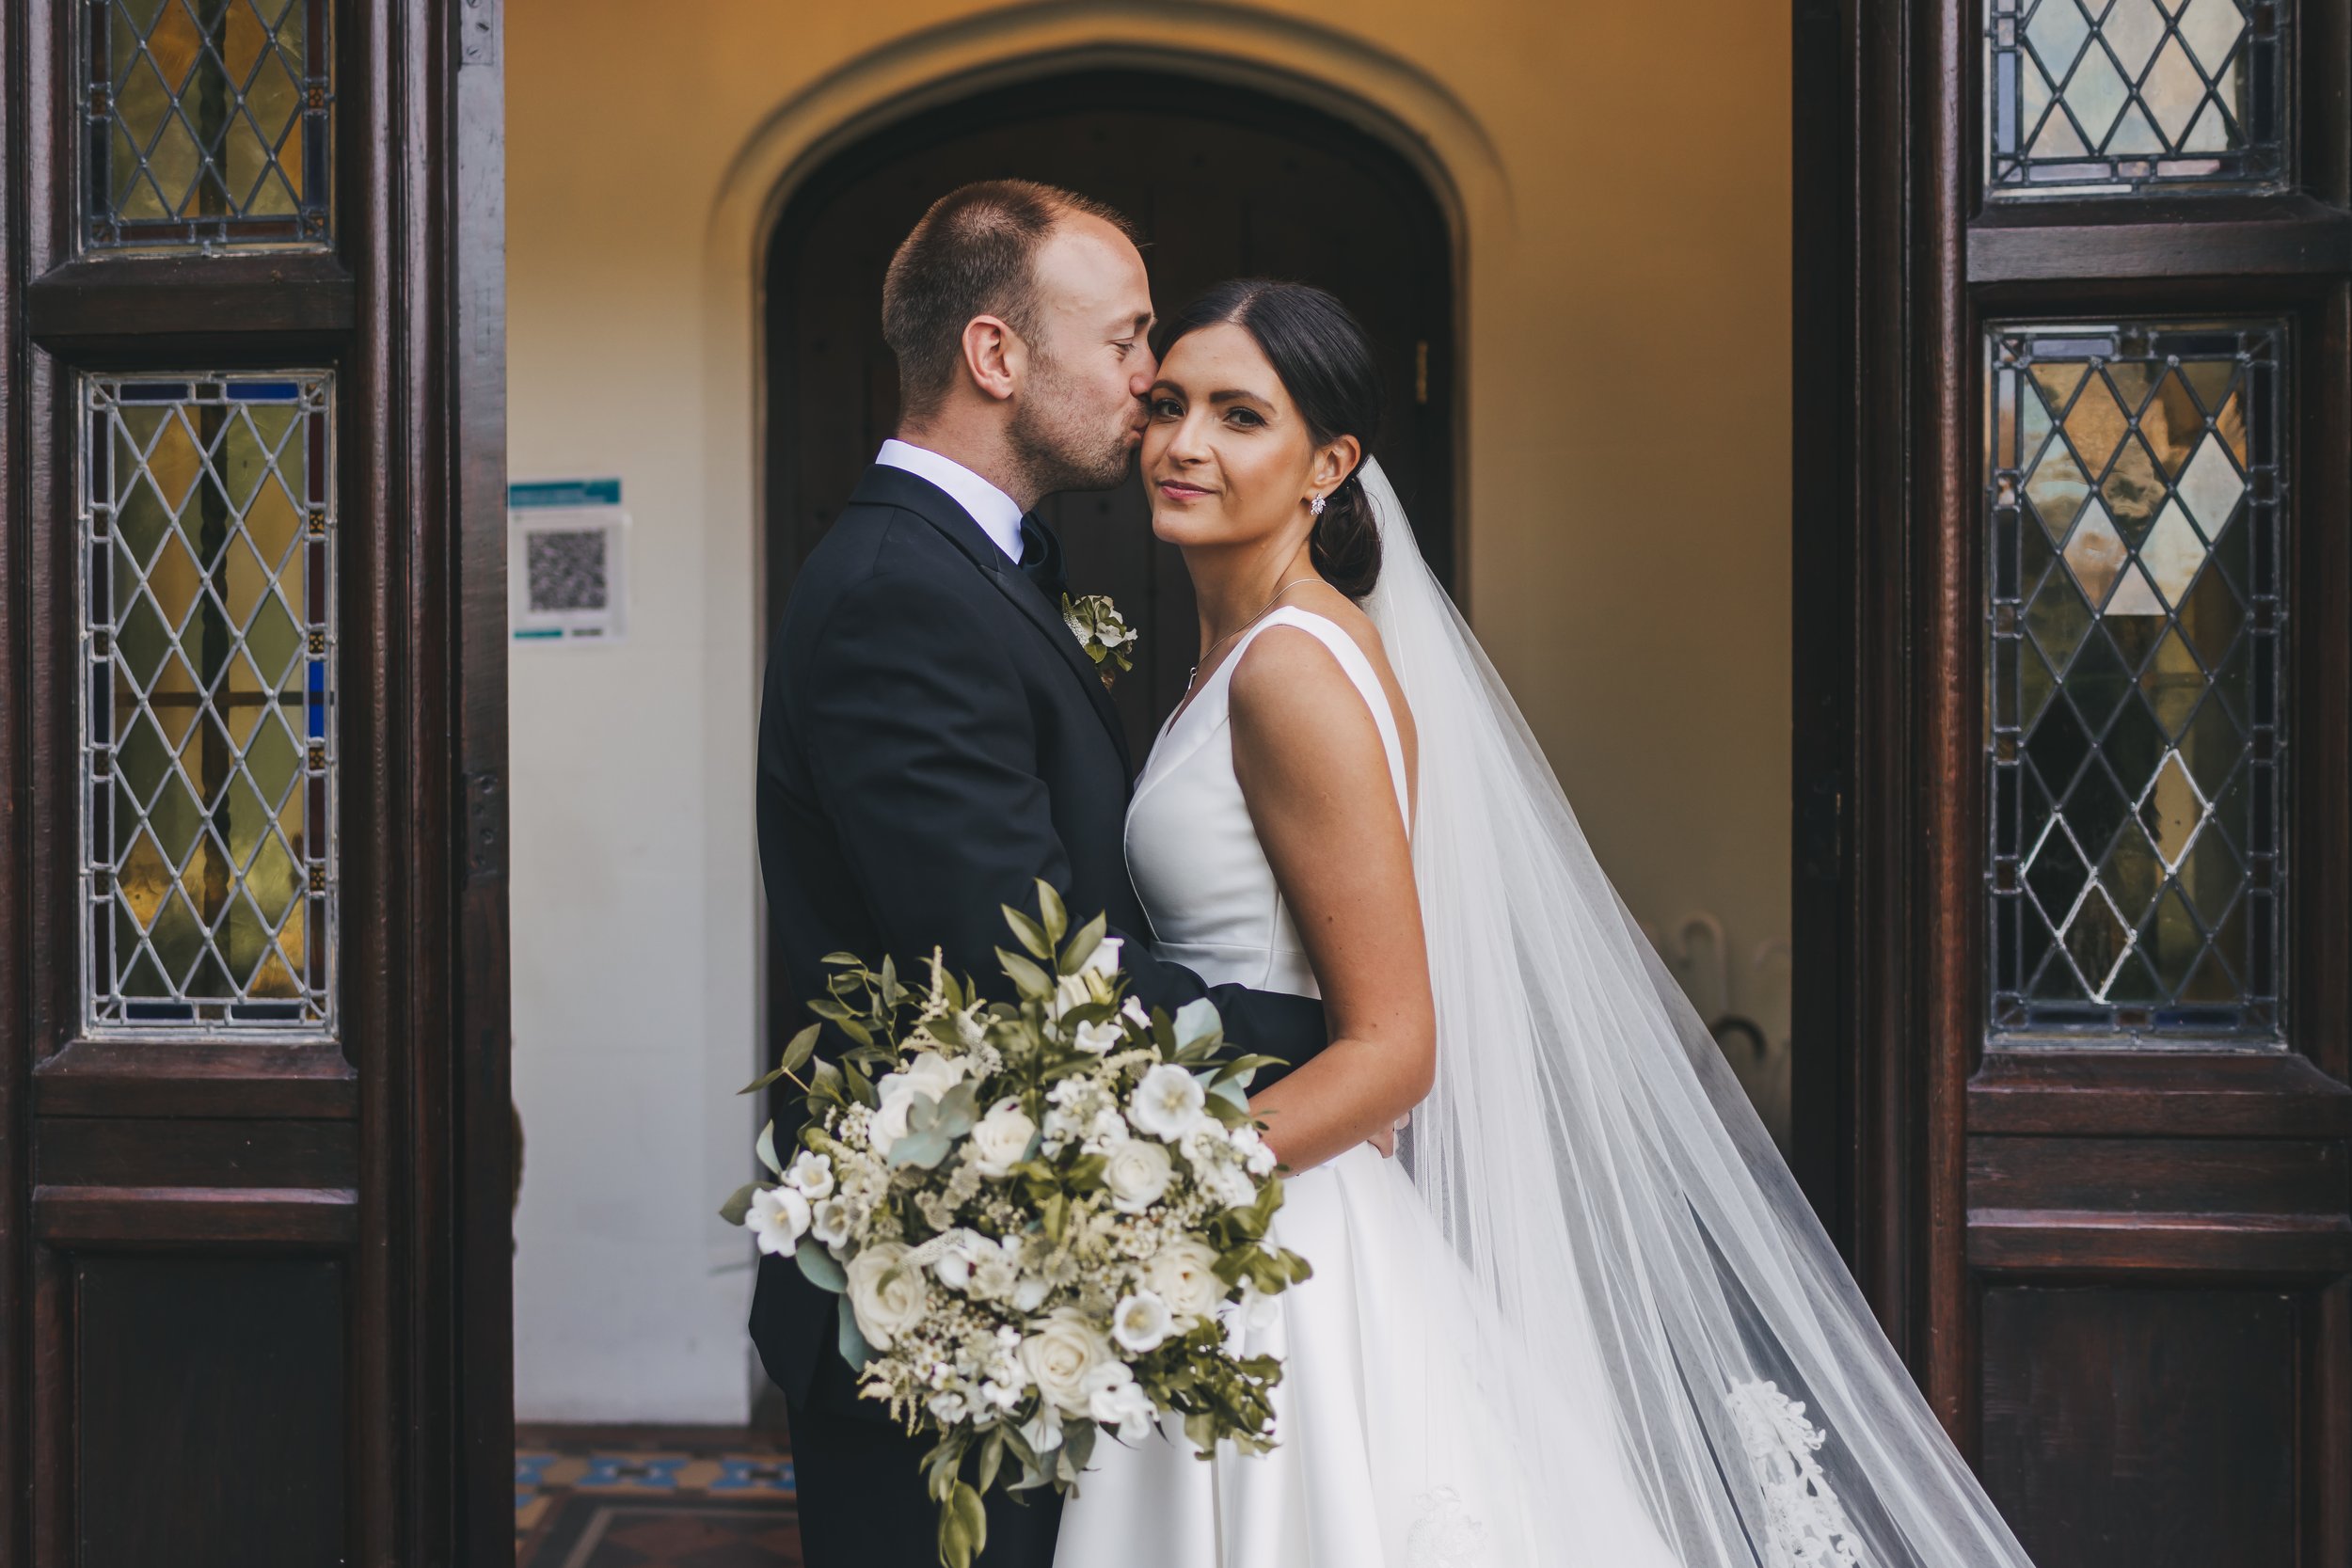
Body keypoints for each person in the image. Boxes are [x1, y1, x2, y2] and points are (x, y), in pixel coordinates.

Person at [1052, 280, 2044, 1568]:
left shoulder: (1294, 669)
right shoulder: (1246, 656)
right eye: (1172, 405)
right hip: (1272, 1214)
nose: (1186, 445)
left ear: (1330, 463)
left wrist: (1149, 1195)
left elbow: (1395, 1048)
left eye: (1243, 416)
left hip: (1269, 1227)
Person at [750, 183, 1339, 1567]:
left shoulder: (980, 567)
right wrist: (1332, 1036)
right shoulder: (906, 591)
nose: (1152, 382)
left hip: (1025, 1278)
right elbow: (1031, 978)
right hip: (929, 1312)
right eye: (1128, 342)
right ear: (997, 357)